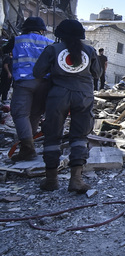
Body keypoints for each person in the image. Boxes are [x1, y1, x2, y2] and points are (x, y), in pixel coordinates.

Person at [33, 19, 100, 193]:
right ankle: (76, 180)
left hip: (58, 95)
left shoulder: (52, 49)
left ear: (59, 35)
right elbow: (97, 73)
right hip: (84, 96)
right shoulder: (90, 50)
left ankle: (51, 180)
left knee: (52, 136)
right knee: (79, 137)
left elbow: (37, 72)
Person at [10, 16, 53, 161]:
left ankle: (27, 149)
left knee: (20, 114)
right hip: (44, 83)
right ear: (42, 30)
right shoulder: (50, 43)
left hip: (24, 83)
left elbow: (4, 51)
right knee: (35, 115)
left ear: (25, 29)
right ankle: (27, 147)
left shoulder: (17, 40)